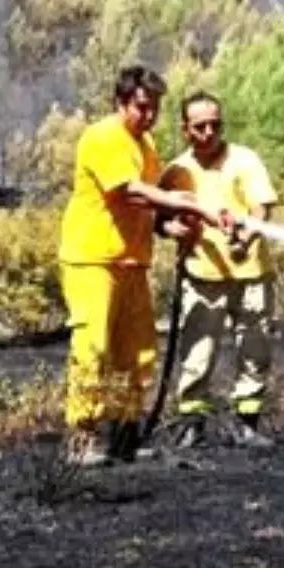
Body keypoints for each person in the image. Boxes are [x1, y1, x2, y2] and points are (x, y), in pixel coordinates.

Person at [57, 65, 224, 466]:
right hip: (92, 259)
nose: (148, 116)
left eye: (154, 109)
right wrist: (185, 203)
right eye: (142, 107)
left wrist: (171, 225)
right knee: (92, 347)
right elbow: (129, 192)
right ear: (121, 102)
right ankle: (82, 437)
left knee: (138, 352)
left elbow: (148, 209)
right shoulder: (102, 137)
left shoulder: (145, 146)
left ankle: (125, 434)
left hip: (132, 262)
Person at [155, 89, 280, 449]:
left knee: (255, 350)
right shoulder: (177, 171)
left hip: (251, 272)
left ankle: (247, 424)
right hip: (202, 275)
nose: (208, 133)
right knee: (197, 352)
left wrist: (246, 239)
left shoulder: (245, 160)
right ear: (185, 130)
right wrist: (169, 229)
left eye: (215, 125)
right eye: (199, 127)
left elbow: (261, 209)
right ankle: (192, 423)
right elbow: (157, 219)